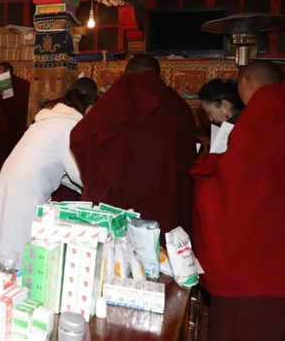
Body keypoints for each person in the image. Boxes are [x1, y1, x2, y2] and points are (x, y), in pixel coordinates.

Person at [191, 60, 285, 341]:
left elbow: (238, 178)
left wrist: (205, 170)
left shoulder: (258, 115)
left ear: (246, 82)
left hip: (258, 256)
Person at [70, 54, 196, 236]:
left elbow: (80, 139)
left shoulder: (112, 102)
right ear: (158, 74)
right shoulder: (178, 106)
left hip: (120, 205)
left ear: (126, 73)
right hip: (165, 203)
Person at [0, 89, 97, 268]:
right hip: (26, 191)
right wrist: (93, 185)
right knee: (16, 256)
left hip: (13, 182)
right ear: (89, 110)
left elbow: (55, 166)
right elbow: (76, 172)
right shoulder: (69, 127)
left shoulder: (49, 120)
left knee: (3, 245)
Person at [0, 62, 31, 152]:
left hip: (18, 118)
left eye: (0, 71)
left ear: (8, 71)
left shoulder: (22, 84)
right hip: (4, 117)